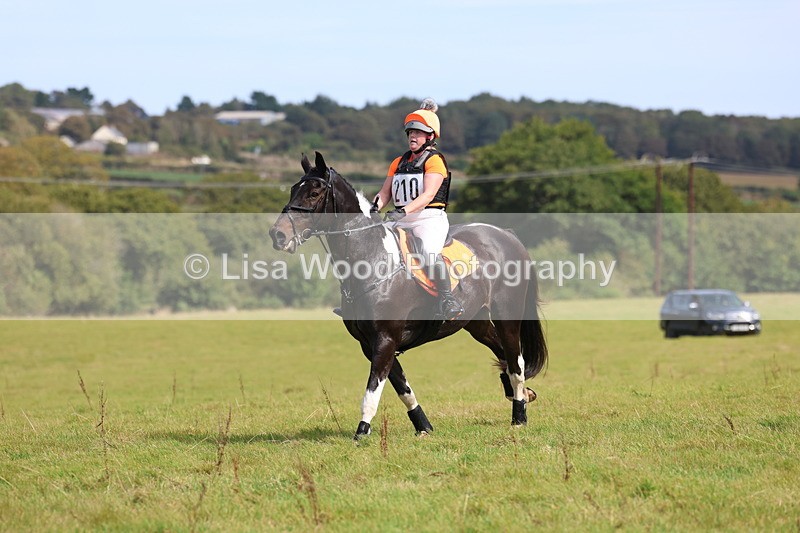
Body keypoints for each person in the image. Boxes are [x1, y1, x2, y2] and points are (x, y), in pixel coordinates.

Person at [372, 98, 464, 320]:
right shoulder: (398, 162)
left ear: (430, 136)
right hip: (400, 218)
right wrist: (374, 208)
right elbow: (385, 193)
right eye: (410, 132)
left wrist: (403, 211)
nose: (412, 136)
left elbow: (428, 195)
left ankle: (447, 299)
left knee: (428, 254)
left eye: (418, 132)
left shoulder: (435, 161)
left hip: (427, 218)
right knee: (373, 248)